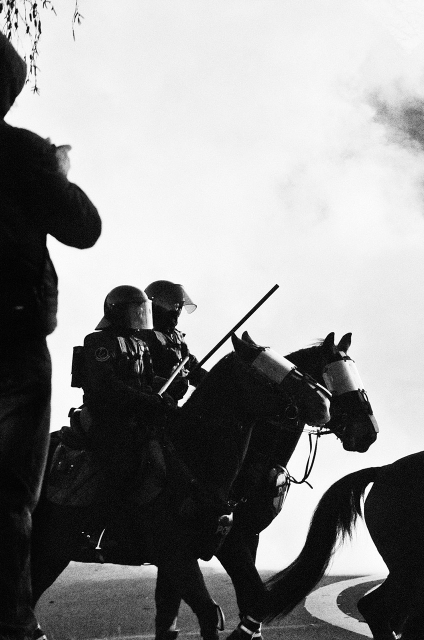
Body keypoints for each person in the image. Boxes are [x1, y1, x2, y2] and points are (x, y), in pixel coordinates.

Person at [0, 32, 101, 640]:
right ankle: (11, 619)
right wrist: (57, 172)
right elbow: (83, 228)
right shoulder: (21, 153)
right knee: (10, 493)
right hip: (10, 342)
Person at [76, 286, 176, 508]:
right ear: (118, 313)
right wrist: (145, 399)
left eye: (143, 311)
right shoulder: (98, 342)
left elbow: (149, 381)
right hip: (105, 416)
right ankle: (106, 519)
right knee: (120, 465)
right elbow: (105, 385)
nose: (141, 317)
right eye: (135, 311)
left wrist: (168, 390)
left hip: (136, 416)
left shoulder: (141, 344)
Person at [139, 280, 206, 404]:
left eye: (179, 306)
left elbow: (192, 366)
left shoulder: (177, 337)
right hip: (149, 402)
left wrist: (211, 380)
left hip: (171, 403)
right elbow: (138, 375)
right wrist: (164, 384)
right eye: (171, 304)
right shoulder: (143, 336)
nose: (176, 310)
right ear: (154, 304)